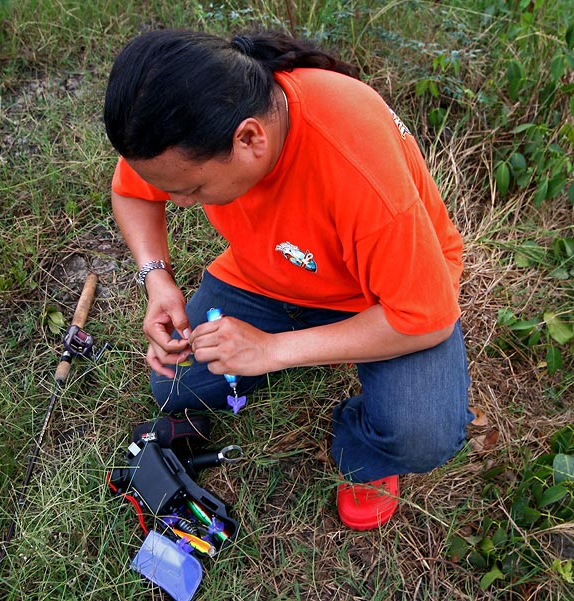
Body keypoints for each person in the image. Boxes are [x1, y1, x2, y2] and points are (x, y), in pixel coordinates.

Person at [104, 29, 473, 530]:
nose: (182, 203)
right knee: (174, 386)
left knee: (420, 433)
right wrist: (158, 280)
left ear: (250, 139)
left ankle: (365, 449)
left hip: (378, 299)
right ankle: (285, 344)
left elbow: (424, 321)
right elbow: (131, 193)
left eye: (191, 189)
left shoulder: (356, 166)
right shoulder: (193, 126)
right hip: (265, 276)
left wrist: (272, 350)